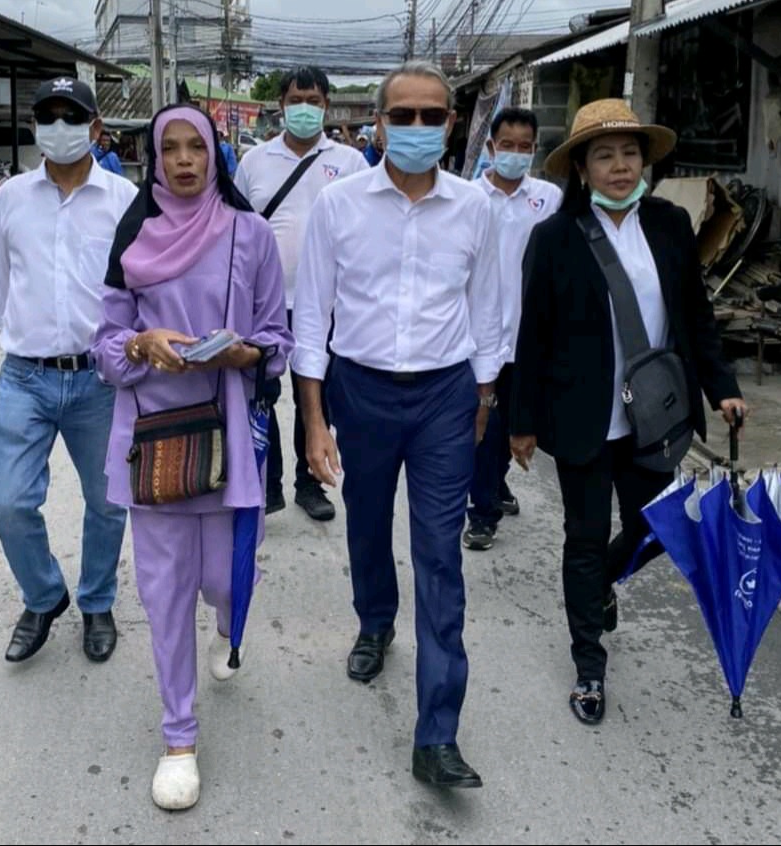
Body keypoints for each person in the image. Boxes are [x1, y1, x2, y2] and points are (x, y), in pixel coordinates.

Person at [292, 60, 501, 789]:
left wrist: (480, 402)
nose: (417, 129)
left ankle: (436, 734)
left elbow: (489, 310)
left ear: (452, 124)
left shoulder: (476, 207)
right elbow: (312, 318)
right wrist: (315, 422)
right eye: (402, 116)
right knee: (367, 521)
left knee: (440, 555)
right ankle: (375, 620)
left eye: (432, 117)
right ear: (378, 123)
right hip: (362, 390)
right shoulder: (339, 205)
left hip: (445, 394)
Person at [508, 99, 748, 726]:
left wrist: (722, 385)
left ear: (645, 160)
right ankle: (589, 663)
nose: (620, 166)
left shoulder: (669, 225)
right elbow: (532, 335)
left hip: (655, 418)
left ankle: (602, 583)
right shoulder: (554, 237)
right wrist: (522, 420)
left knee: (659, 528)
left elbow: (695, 316)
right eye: (605, 155)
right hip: (582, 418)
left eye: (630, 153)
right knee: (583, 539)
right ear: (582, 169)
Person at [92, 104, 293, 811]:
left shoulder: (251, 234)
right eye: (169, 149)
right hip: (153, 439)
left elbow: (278, 337)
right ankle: (179, 737)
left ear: (215, 157)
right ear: (154, 158)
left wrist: (247, 353)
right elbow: (105, 347)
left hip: (231, 433)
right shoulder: (133, 239)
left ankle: (226, 628)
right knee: (165, 593)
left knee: (226, 586)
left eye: (195, 149)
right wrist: (143, 346)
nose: (183, 161)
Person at [0, 77, 138, 664]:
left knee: (109, 501)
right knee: (9, 500)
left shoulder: (122, 198)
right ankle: (44, 595)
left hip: (99, 380)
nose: (58, 127)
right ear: (35, 125)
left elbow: (142, 286)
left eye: (72, 116)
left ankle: (96, 602)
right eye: (48, 115)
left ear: (94, 128)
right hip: (26, 377)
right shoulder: (12, 197)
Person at [235, 65, 367, 521]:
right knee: (262, 392)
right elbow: (236, 229)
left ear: (326, 106)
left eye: (314, 101)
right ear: (281, 106)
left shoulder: (350, 163)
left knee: (317, 394)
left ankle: (309, 484)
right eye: (297, 100)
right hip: (265, 302)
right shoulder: (254, 162)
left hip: (328, 304)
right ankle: (267, 482)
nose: (305, 109)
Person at [462, 107, 562, 552]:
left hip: (529, 339)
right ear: (490, 147)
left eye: (525, 147)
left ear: (535, 150)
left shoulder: (549, 199)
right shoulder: (466, 199)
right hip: (478, 339)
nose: (516, 154)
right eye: (508, 145)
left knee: (515, 426)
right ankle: (481, 514)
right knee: (483, 427)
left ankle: (496, 485)